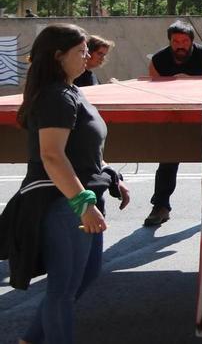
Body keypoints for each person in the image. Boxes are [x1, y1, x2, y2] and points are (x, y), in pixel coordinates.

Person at [0, 24, 131, 344]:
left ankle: (29, 340)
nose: (88, 55)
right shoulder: (56, 97)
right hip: (64, 203)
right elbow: (52, 156)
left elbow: (85, 148)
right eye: (81, 51)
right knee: (63, 289)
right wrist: (82, 203)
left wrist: (110, 176)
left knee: (85, 275)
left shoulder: (70, 90)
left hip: (82, 196)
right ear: (58, 56)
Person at [144, 20, 202, 227]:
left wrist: (191, 83)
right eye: (176, 41)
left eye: (184, 41)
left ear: (191, 41)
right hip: (175, 117)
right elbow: (152, 91)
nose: (180, 45)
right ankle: (160, 206)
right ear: (170, 41)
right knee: (167, 160)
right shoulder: (159, 60)